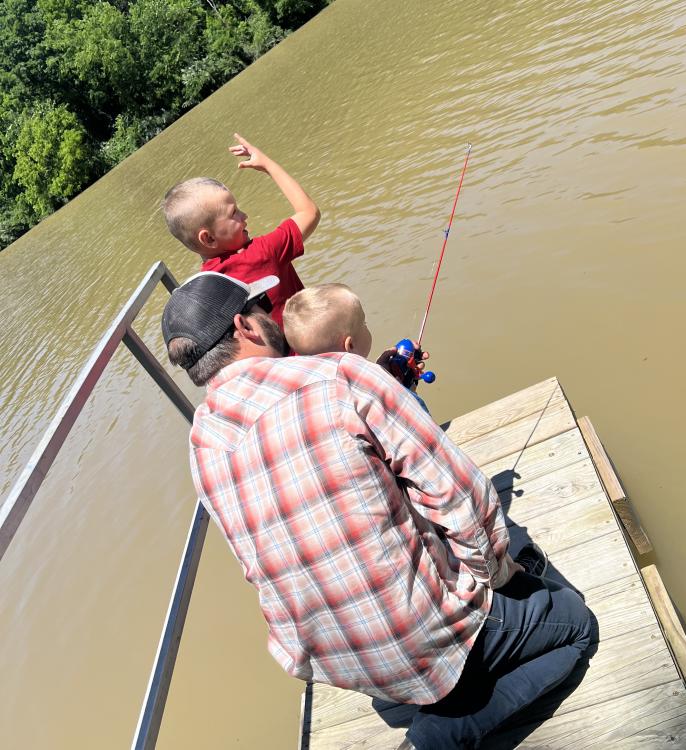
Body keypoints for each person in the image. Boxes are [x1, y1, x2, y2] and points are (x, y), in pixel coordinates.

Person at [161, 271, 592, 750]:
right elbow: (462, 498)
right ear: (244, 327)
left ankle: (410, 695)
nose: (273, 316)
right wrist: (499, 576)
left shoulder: (201, 446)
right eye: (263, 309)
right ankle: (437, 737)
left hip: (334, 661)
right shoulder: (339, 374)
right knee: (575, 625)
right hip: (422, 634)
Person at [161, 134, 320, 328]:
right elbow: (309, 212)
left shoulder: (205, 291)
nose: (245, 216)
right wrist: (268, 165)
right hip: (312, 354)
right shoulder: (263, 253)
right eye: (234, 213)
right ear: (209, 238)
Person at [282, 282, 431, 412]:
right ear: (350, 345)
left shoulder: (309, 396)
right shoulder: (370, 394)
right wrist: (408, 390)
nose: (366, 326)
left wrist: (382, 371)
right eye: (364, 324)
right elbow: (419, 423)